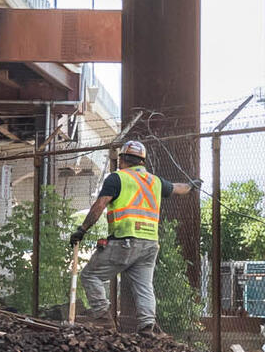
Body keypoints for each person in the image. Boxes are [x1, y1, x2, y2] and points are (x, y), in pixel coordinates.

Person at [67, 138, 194, 332]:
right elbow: (178, 188)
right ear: (142, 161)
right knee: (144, 286)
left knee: (91, 275)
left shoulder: (117, 178)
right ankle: (147, 326)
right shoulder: (155, 181)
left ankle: (103, 317)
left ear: (122, 159)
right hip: (150, 244)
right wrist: (192, 186)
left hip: (125, 241)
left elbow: (100, 205)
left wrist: (82, 230)